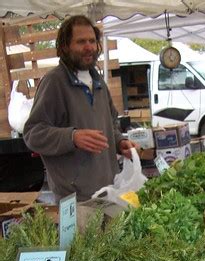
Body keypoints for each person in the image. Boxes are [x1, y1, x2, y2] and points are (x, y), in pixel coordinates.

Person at [23, 15, 137, 202]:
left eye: (92, 41)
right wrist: (72, 137)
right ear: (65, 46)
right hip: (76, 198)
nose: (89, 47)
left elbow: (111, 123)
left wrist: (119, 142)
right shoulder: (54, 82)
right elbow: (33, 133)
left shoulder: (98, 81)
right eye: (81, 42)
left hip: (110, 190)